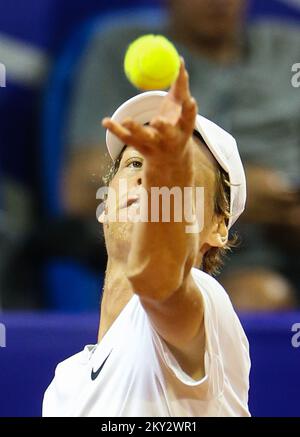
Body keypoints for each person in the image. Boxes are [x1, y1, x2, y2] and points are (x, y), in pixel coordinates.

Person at [43, 60, 250, 417]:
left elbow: (161, 284)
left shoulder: (206, 302)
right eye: (137, 164)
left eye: (178, 176)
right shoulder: (65, 380)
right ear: (105, 203)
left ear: (218, 227)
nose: (151, 177)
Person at [64, 0, 300, 309]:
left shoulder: (291, 48)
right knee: (261, 296)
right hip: (181, 252)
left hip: (283, 247)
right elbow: (81, 189)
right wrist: (222, 191)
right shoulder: (117, 48)